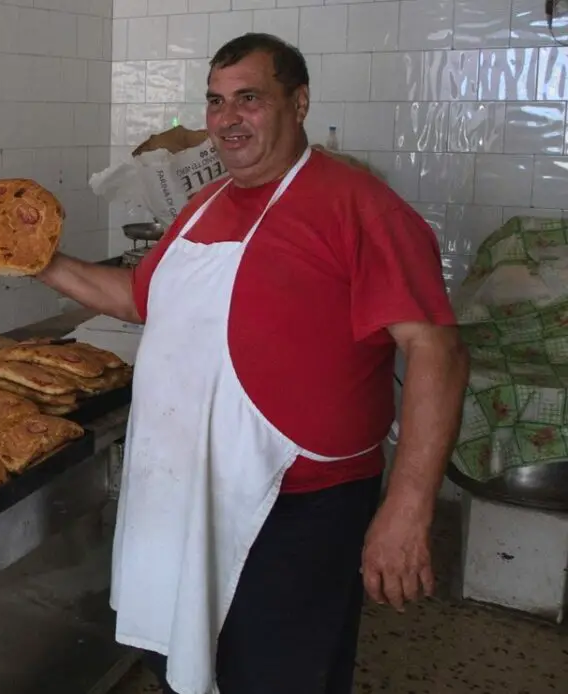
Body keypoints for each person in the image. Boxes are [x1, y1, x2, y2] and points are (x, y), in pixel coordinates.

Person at [34, 33, 469, 694]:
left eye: (249, 100)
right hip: (187, 493)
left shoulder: (358, 206)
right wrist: (41, 262)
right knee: (190, 661)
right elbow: (137, 297)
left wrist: (409, 506)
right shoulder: (204, 204)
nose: (227, 119)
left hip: (301, 507)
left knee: (282, 675)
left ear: (298, 103)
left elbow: (437, 350)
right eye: (215, 102)